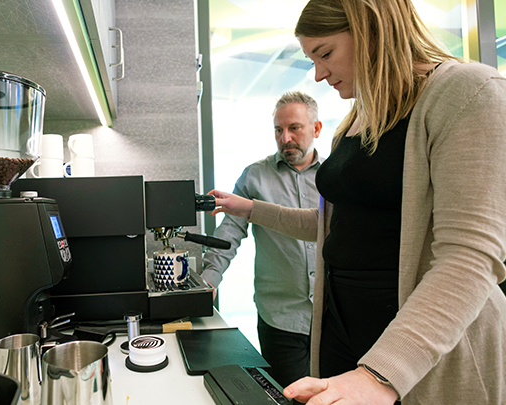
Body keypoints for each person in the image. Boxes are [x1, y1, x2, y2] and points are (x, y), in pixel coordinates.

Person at [208, 0, 506, 404]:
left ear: (371, 28)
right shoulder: (355, 120)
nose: (318, 74)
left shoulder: (467, 92)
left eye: (325, 53)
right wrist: (251, 208)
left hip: (417, 346)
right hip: (343, 332)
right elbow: (334, 226)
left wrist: (380, 375)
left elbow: (470, 257)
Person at [201, 91, 323, 390]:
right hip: (280, 319)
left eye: (295, 128)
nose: (285, 139)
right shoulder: (254, 176)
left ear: (316, 129)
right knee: (291, 397)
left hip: (330, 318)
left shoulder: (333, 178)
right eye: (278, 130)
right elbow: (229, 233)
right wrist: (209, 280)